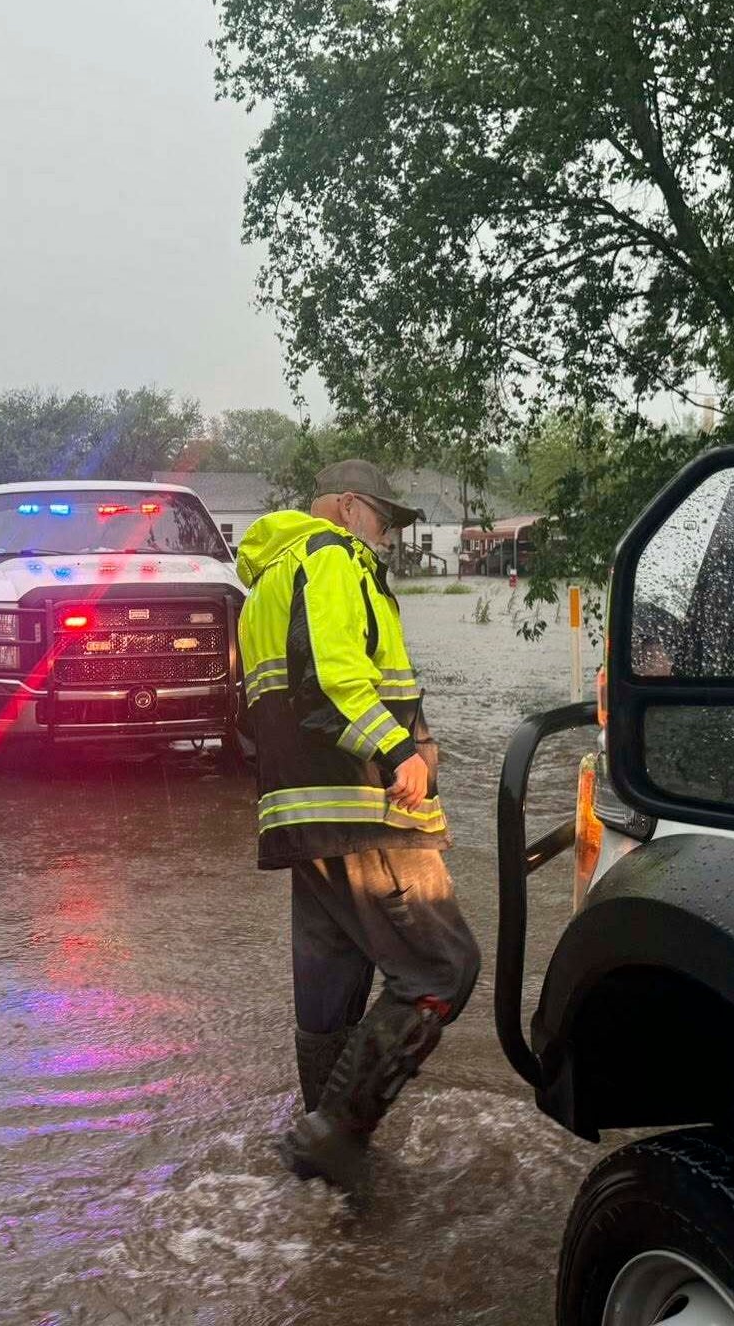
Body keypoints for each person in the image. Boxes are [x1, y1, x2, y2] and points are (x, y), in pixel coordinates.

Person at [233, 459, 481, 1190]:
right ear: (347, 507)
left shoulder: (265, 587)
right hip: (365, 809)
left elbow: (257, 712)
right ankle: (336, 1134)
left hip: (304, 823)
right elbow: (338, 671)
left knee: (331, 992)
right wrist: (399, 747)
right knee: (443, 966)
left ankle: (321, 1173)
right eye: (385, 518)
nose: (392, 537)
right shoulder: (333, 556)